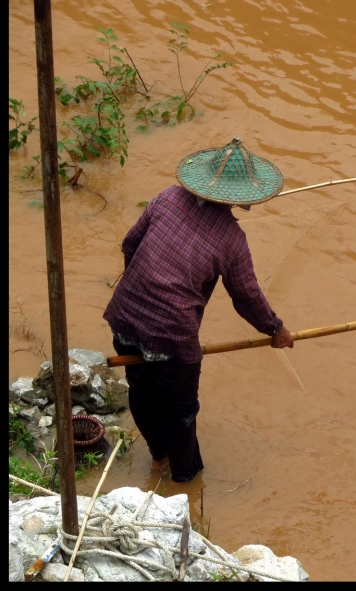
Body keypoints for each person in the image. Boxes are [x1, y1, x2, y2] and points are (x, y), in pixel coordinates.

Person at [104, 137, 294, 484]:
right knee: (181, 410)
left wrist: (144, 287)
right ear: (242, 199)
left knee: (141, 389)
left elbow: (129, 245)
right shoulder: (232, 240)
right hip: (172, 335)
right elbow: (247, 296)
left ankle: (158, 458)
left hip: (123, 317)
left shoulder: (166, 197)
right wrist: (275, 329)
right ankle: (185, 480)